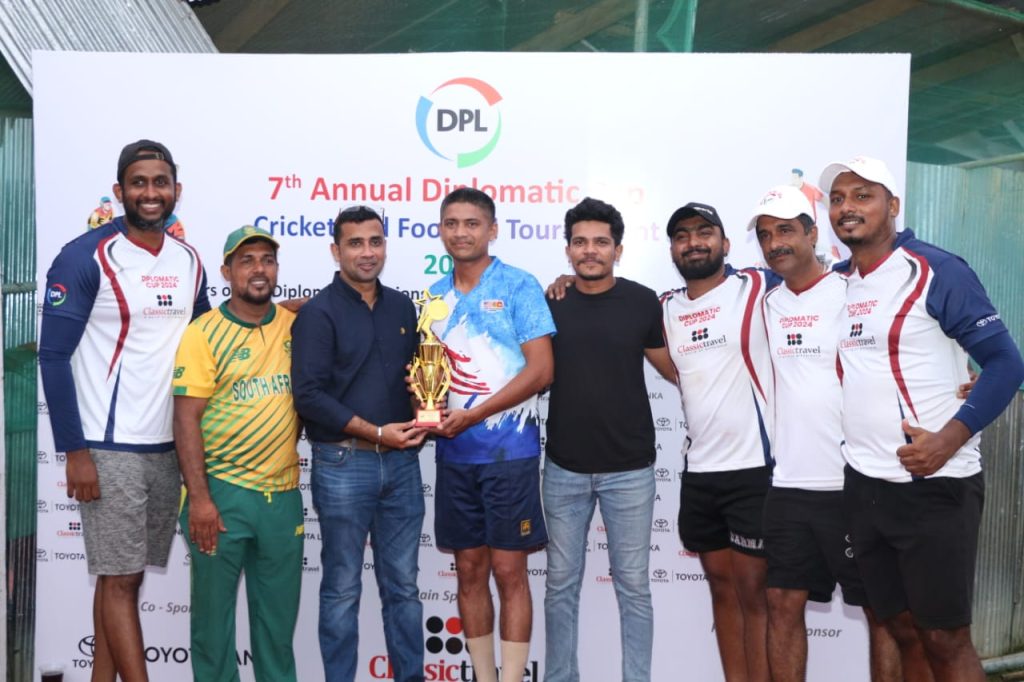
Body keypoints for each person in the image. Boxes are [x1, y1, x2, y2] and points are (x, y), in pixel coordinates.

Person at [821, 155, 1024, 682]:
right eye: (838, 199)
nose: (847, 207)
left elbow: (1006, 363)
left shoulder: (935, 269)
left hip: (934, 484)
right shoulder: (839, 281)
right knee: (901, 628)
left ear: (892, 205)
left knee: (945, 638)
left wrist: (948, 440)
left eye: (862, 195)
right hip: (864, 484)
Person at [39, 139, 210, 682]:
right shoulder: (84, 255)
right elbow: (52, 356)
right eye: (139, 183)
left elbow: (208, 338)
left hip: (168, 447)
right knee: (120, 579)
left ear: (177, 191)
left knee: (121, 578)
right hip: (107, 447)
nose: (150, 193)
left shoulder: (189, 260)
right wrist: (75, 451)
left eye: (160, 182)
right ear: (119, 192)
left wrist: (280, 313)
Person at [750, 185, 919, 682]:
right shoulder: (763, 302)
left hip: (855, 482)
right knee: (781, 601)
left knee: (882, 611)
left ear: (812, 233)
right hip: (788, 485)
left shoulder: (852, 291)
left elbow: (910, 344)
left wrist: (960, 378)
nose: (775, 243)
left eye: (785, 231)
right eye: (765, 236)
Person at [291, 205, 427, 682]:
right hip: (343, 463)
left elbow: (415, 378)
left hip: (403, 464)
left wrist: (425, 402)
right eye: (355, 243)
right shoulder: (318, 313)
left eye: (375, 241)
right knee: (342, 588)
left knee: (404, 588)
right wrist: (375, 432)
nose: (367, 252)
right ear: (336, 250)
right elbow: (309, 396)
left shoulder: (403, 307)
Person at [542, 197, 674, 682]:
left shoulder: (642, 301)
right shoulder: (551, 301)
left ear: (617, 250)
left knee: (634, 587)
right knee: (560, 586)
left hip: (630, 470)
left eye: (601, 242)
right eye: (580, 242)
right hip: (563, 468)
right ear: (568, 249)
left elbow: (673, 369)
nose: (590, 251)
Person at [428, 188, 555, 682]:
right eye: (452, 223)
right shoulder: (435, 296)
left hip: (509, 454)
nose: (461, 232)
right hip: (454, 456)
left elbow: (541, 371)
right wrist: (424, 399)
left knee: (509, 572)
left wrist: (475, 414)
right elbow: (430, 374)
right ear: (441, 230)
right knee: (468, 571)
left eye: (472, 223)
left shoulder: (519, 285)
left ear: (492, 230)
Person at [172, 225, 303, 682]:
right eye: (246, 261)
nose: (258, 269)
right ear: (227, 272)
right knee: (213, 628)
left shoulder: (294, 325)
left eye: (267, 260)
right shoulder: (203, 333)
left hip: (283, 497)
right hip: (222, 495)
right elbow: (185, 420)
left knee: (277, 629)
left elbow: (335, 304)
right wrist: (200, 499)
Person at [660, 202, 773, 682]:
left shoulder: (759, 286)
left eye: (704, 232)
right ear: (673, 250)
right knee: (723, 591)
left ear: (726, 244)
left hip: (755, 469)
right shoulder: (663, 308)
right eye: (682, 235)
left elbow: (826, 279)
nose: (694, 242)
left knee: (755, 594)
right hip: (701, 474)